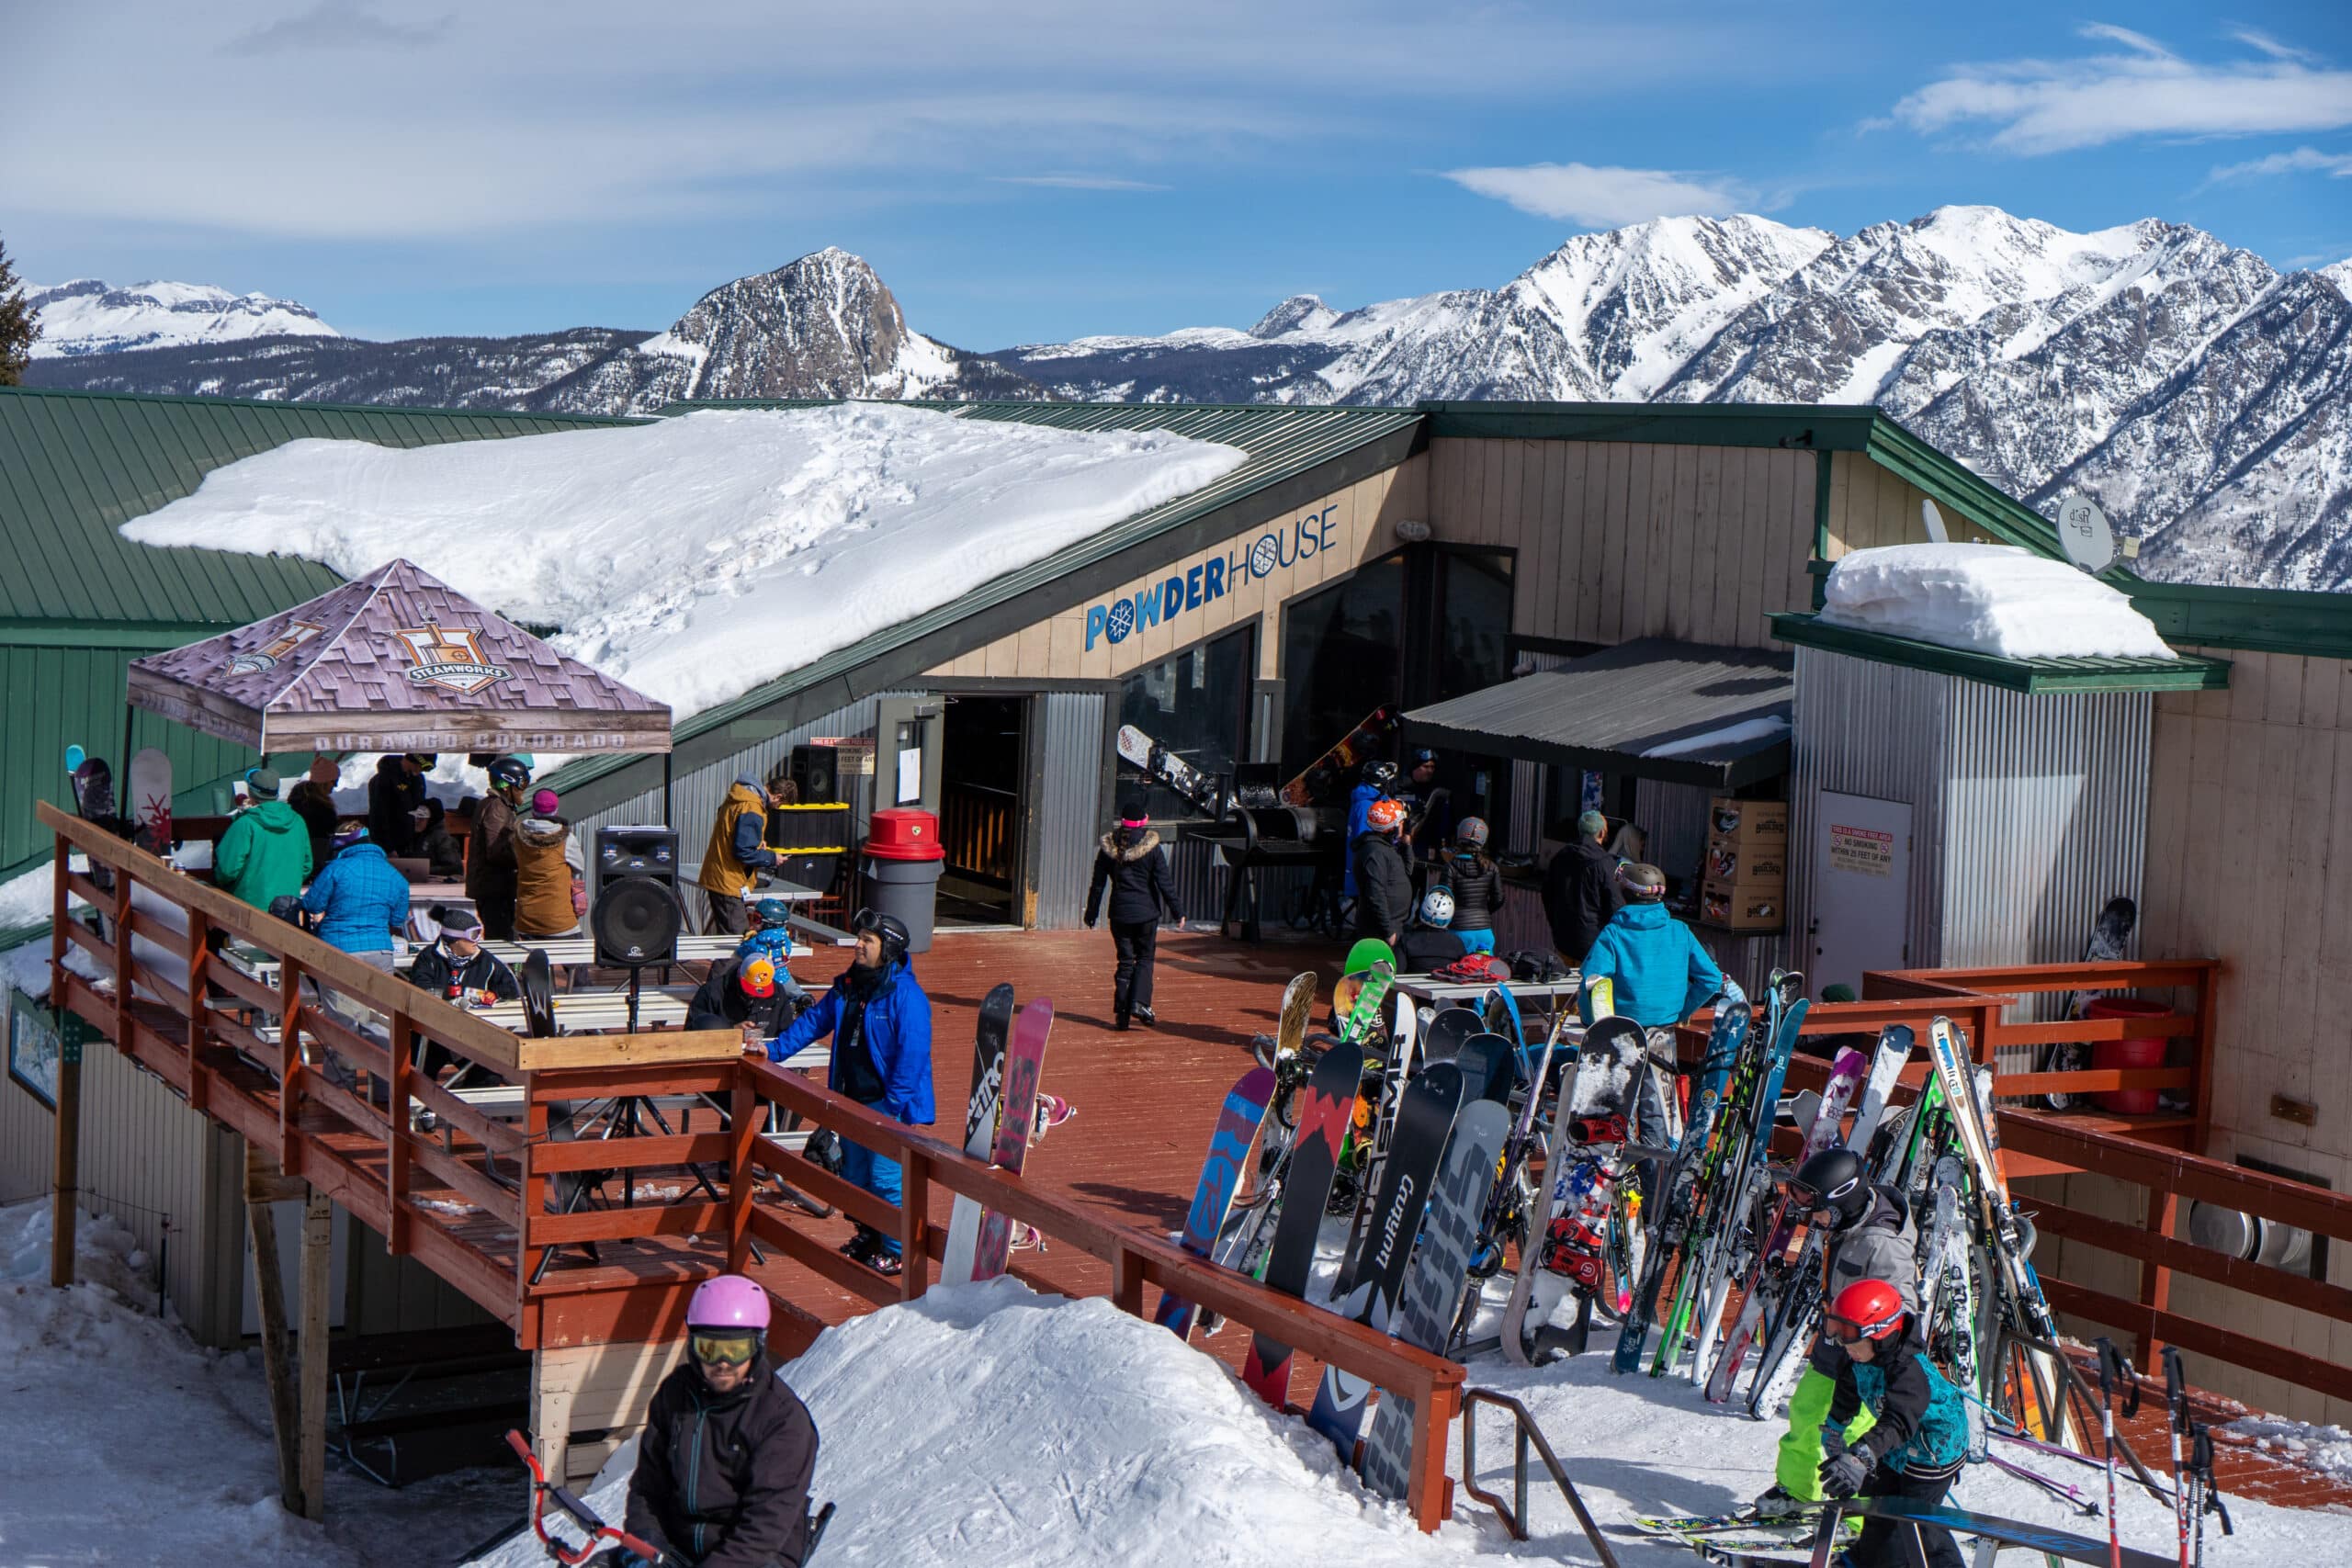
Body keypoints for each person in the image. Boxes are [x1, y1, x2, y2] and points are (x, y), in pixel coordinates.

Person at [765, 909, 934, 1276]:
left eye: (867, 941)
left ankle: (897, 1249)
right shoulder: (849, 985)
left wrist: (892, 1106)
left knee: (887, 1180)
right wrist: (773, 1051)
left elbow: (914, 1054)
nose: (857, 945)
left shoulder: (906, 996)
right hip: (852, 1099)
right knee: (854, 1176)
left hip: (887, 1106)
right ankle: (870, 1235)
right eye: (858, 938)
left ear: (887, 948)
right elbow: (813, 1022)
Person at [1757, 1147, 1923, 1519]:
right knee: (1807, 1411)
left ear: (1843, 1200)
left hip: (1868, 1355)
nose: (1812, 1219)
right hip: (1837, 1341)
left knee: (1856, 1429)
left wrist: (1881, 1352)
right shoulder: (1849, 1221)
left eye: (1817, 1209)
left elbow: (1904, 1307)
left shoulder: (1884, 1246)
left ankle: (1862, 1508)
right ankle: (1797, 1492)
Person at [623, 1274, 820, 1568]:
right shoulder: (676, 1396)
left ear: (757, 1346)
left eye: (736, 1350)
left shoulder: (782, 1422)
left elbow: (764, 1528)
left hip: (756, 1557)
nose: (723, 1363)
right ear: (693, 1345)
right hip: (681, 1547)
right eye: (710, 1349)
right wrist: (645, 1539)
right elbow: (648, 1488)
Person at [1809, 1279, 1971, 1568]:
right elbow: (1847, 1393)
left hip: (1935, 1446)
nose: (1844, 1346)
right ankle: (1871, 1557)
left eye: (1850, 1337)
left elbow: (1898, 1421)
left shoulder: (1908, 1372)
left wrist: (1862, 1455)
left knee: (1916, 1519)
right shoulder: (1856, 1357)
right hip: (1898, 1440)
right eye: (1839, 1334)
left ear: (1880, 1335)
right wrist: (1834, 1429)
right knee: (1877, 1497)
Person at [1578, 862, 1723, 1160]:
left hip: (1621, 1033)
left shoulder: (1614, 935)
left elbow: (1592, 984)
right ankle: (1656, 1190)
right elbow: (1711, 979)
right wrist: (1683, 1008)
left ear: (1626, 893)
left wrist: (1591, 1022)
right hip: (1662, 1034)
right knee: (1661, 1112)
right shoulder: (1679, 932)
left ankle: (1621, 1189)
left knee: (1619, 1112)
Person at [1084, 796, 1182, 1032]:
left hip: (1119, 915)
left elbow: (1098, 885)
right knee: (1145, 958)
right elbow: (1164, 883)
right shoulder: (1152, 848)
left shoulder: (1109, 848)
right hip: (1146, 915)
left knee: (1126, 962)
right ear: (1143, 821)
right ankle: (1139, 1003)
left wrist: (1091, 913)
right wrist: (1178, 911)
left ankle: (1122, 1014)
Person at [404, 905, 520, 1080]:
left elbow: (510, 990)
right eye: (473, 935)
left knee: (490, 1076)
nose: (477, 940)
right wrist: (454, 996)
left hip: (472, 1035)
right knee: (418, 1075)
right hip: (432, 1034)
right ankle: (425, 1107)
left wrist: (485, 996)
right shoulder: (428, 958)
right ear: (455, 940)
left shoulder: (486, 960)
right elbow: (422, 990)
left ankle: (464, 1105)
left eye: (479, 933)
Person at [299, 822, 412, 966]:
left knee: (336, 990)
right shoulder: (396, 876)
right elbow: (397, 920)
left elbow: (312, 904)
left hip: (338, 948)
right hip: (380, 951)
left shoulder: (335, 869)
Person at [699, 767, 795, 936]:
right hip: (728, 881)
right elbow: (743, 852)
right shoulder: (752, 807)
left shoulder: (740, 796)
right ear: (778, 797)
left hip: (719, 875)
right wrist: (772, 858)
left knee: (731, 939)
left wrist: (756, 842)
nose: (777, 807)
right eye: (780, 804)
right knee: (737, 941)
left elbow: (728, 826)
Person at [212, 768, 311, 911]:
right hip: (287, 908)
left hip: (248, 908)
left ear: (251, 792)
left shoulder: (245, 824)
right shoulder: (298, 821)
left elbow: (227, 871)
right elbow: (306, 865)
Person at [1543, 809, 1623, 967]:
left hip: (1563, 939)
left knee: (1565, 987)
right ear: (1602, 833)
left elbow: (1547, 895)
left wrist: (1556, 925)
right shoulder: (1605, 863)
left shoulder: (1560, 856)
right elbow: (1615, 906)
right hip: (1593, 942)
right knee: (1591, 989)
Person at [466, 756, 529, 939]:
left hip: (497, 887)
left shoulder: (501, 806)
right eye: (522, 785)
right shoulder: (497, 808)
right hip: (494, 889)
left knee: (503, 936)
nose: (523, 790)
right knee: (501, 940)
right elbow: (495, 850)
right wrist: (524, 859)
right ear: (508, 784)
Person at [512, 787, 585, 940]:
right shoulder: (566, 838)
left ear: (533, 810)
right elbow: (579, 866)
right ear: (556, 811)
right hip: (559, 921)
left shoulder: (517, 837)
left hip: (526, 920)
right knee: (579, 960)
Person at [688, 953, 806, 1045]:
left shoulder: (777, 992)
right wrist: (731, 1031)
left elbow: (786, 1030)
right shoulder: (711, 992)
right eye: (750, 990)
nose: (754, 995)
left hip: (766, 1058)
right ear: (740, 976)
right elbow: (691, 1032)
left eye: (761, 992)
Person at [1431, 816, 1503, 954]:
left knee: (1458, 972)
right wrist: (1483, 911)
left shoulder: (1451, 867)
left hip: (1457, 931)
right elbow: (1498, 898)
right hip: (1484, 931)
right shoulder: (1491, 867)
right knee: (1483, 971)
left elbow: (1444, 900)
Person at [1352, 796, 1414, 947]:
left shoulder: (1386, 848)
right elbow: (1375, 893)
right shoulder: (1375, 852)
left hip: (1393, 924)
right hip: (1379, 929)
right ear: (1391, 826)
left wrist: (1406, 845)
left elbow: (1407, 872)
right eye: (1400, 822)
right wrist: (1388, 930)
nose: (1402, 825)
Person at [1340, 759, 1397, 902]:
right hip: (1368, 874)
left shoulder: (1374, 801)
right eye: (1387, 781)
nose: (1389, 784)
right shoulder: (1366, 806)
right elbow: (1365, 844)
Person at [367, 753, 434, 857]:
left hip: (410, 844)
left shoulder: (418, 780)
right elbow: (378, 816)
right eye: (423, 767)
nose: (422, 771)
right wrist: (388, 848)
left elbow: (419, 807)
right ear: (416, 760)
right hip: (389, 846)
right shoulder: (383, 779)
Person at [1396, 886, 1468, 972]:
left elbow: (1398, 973)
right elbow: (1463, 972)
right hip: (1445, 984)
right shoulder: (1456, 943)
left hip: (1413, 984)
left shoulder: (1407, 940)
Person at [285, 775, 340, 882]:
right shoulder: (325, 808)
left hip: (295, 854)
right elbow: (331, 827)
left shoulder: (290, 811)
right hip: (319, 854)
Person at [415, 798, 467, 881]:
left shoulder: (443, 839)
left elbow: (455, 868)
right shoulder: (420, 836)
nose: (417, 821)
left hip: (439, 886)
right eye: (416, 817)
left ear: (432, 819)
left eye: (421, 818)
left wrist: (425, 870)